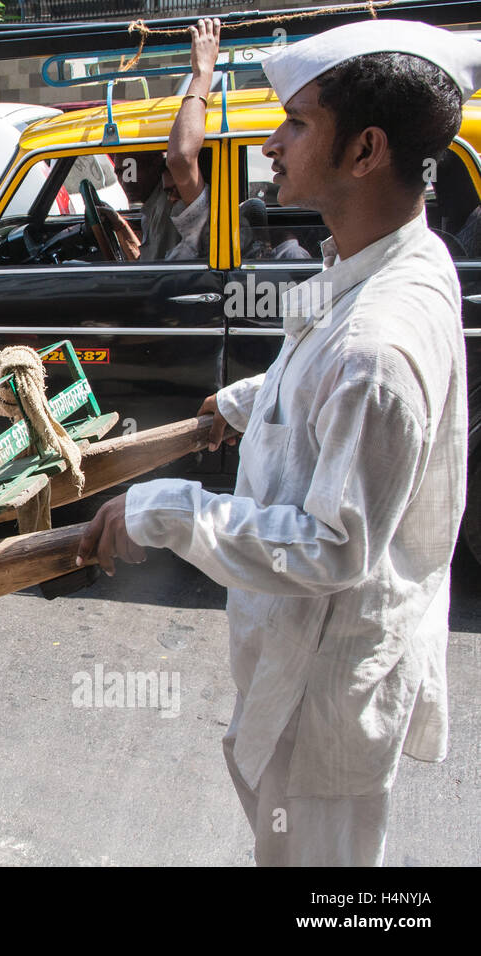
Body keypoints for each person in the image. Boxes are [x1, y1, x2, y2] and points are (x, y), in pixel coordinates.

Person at [77, 20, 479, 865]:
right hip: (308, 651)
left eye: (296, 122)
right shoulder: (391, 260)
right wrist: (240, 403)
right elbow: (316, 377)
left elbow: (332, 548)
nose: (271, 140)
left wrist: (166, 512)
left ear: (365, 149)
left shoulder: (380, 344)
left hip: (324, 674)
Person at [102, 18, 219, 261]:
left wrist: (202, 74)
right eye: (121, 170)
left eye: (175, 190)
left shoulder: (197, 216)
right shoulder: (163, 214)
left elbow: (181, 159)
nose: (172, 199)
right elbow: (149, 262)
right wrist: (121, 228)